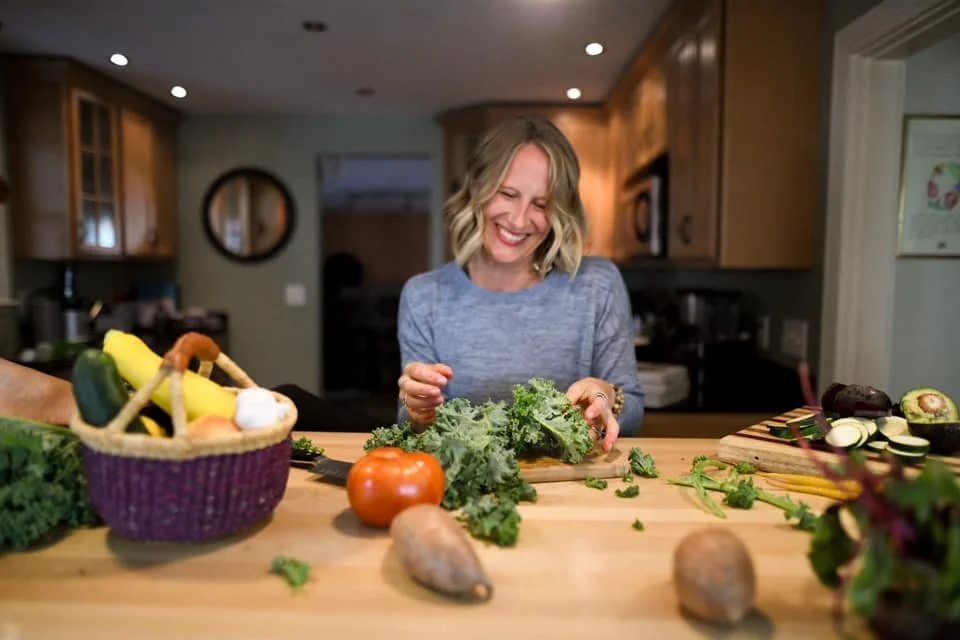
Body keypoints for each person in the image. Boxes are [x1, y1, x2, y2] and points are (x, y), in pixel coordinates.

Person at [395, 115, 645, 451]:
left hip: (572, 491)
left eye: (541, 204)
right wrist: (418, 409)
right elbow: (411, 425)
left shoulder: (597, 285)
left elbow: (633, 409)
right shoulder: (424, 297)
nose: (518, 219)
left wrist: (607, 395)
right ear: (477, 191)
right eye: (508, 194)